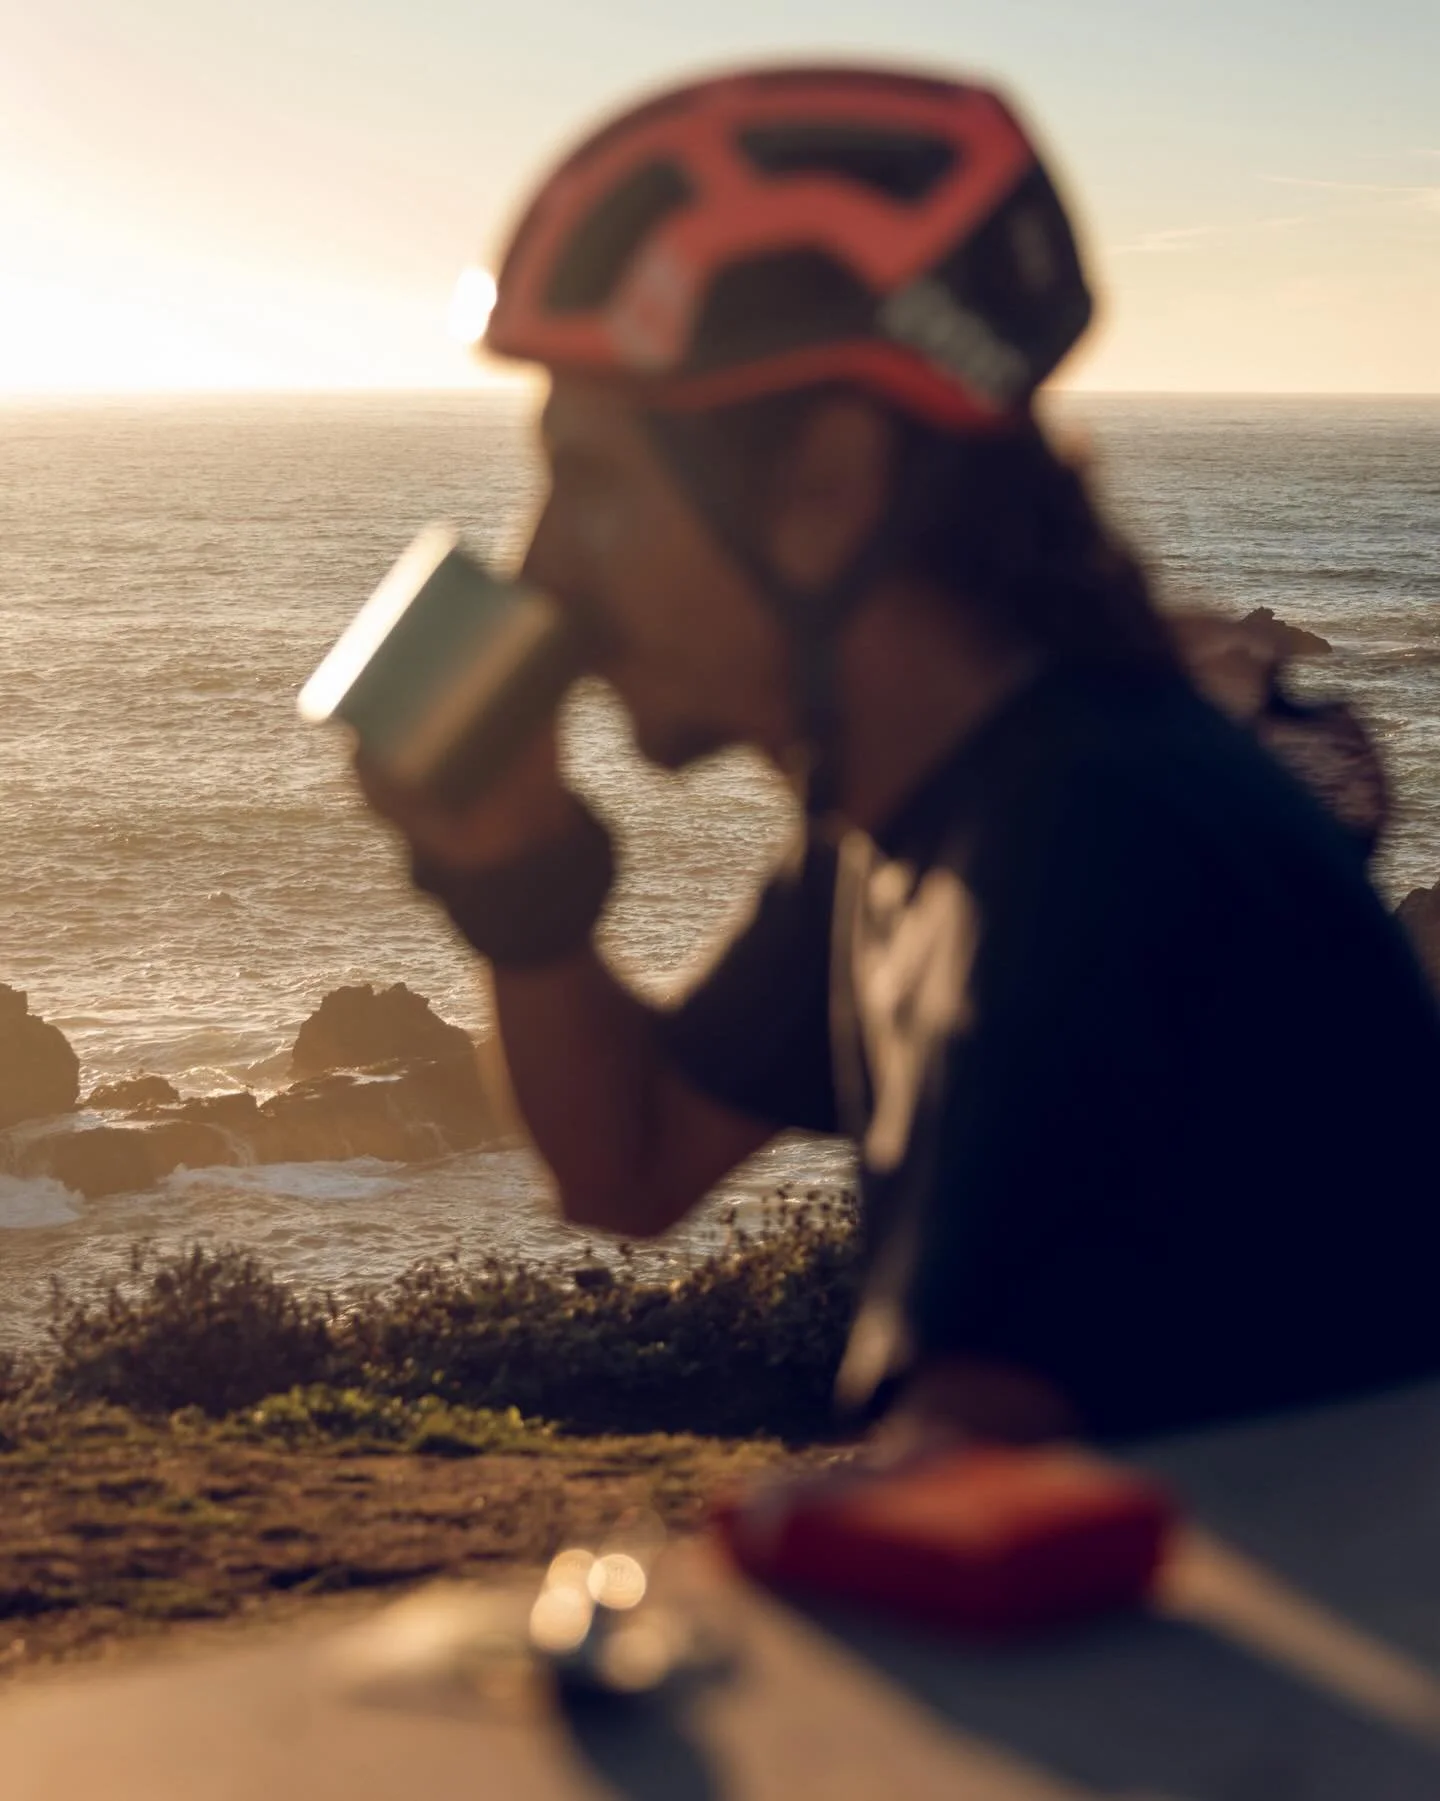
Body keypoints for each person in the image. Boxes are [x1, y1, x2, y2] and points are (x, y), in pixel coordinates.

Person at [358, 65, 1440, 1445]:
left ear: (826, 479)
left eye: (598, 486)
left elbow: (982, 1470)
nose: (542, 568)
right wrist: (514, 875)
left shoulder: (1092, 853)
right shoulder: (914, 815)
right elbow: (625, 1165)